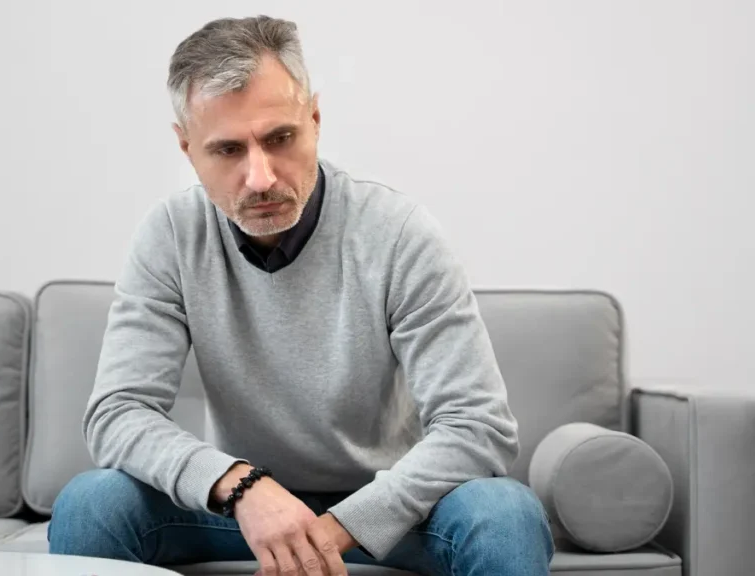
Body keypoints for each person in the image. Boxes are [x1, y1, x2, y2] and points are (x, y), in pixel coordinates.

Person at [48, 14, 554, 576]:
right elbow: (118, 413)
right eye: (228, 150)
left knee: (504, 514)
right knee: (92, 504)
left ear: (314, 119)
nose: (260, 177)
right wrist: (241, 486)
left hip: (388, 506)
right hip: (243, 510)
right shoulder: (170, 235)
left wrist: (335, 530)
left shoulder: (399, 233)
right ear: (187, 147)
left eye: (279, 138)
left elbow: (477, 425)